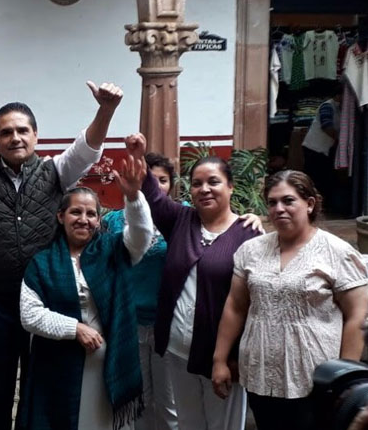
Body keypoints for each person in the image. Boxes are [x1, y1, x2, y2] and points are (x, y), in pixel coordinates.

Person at [0, 81, 123, 430]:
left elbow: (87, 149)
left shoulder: (56, 171)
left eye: (22, 130)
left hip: (50, 302)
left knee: (42, 387)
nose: (15, 138)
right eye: (6, 132)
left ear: (36, 136)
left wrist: (106, 109)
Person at [212, 170, 368, 430]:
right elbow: (236, 307)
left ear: (310, 204)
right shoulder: (252, 250)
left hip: (315, 379)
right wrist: (220, 360)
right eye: (272, 202)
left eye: (288, 200)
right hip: (260, 373)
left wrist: (344, 379)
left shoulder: (337, 252)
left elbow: (357, 316)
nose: (279, 209)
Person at [127, 133, 260, 430]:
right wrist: (138, 156)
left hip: (222, 359)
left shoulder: (249, 235)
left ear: (230, 186)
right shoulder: (180, 220)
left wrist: (233, 358)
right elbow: (153, 195)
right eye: (197, 183)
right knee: (188, 424)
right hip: (178, 352)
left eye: (213, 182)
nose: (204, 189)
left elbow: (251, 303)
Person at [18, 144, 155, 430]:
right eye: (75, 212)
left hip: (107, 364)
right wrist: (75, 329)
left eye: (91, 214)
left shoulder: (113, 250)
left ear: (98, 219)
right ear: (61, 217)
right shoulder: (43, 262)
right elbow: (30, 315)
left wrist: (133, 197)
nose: (84, 219)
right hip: (57, 364)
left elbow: (142, 235)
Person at [101, 153, 179, 430]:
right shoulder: (112, 221)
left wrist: (250, 219)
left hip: (168, 323)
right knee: (139, 400)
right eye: (148, 180)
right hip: (129, 322)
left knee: (170, 404)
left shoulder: (181, 218)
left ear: (171, 185)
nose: (154, 187)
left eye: (162, 181)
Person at [301, 82, 342, 203]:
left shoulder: (338, 108)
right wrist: (341, 139)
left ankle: (318, 203)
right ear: (339, 95)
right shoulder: (327, 106)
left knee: (323, 178)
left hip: (323, 149)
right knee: (314, 178)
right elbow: (326, 126)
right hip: (314, 148)